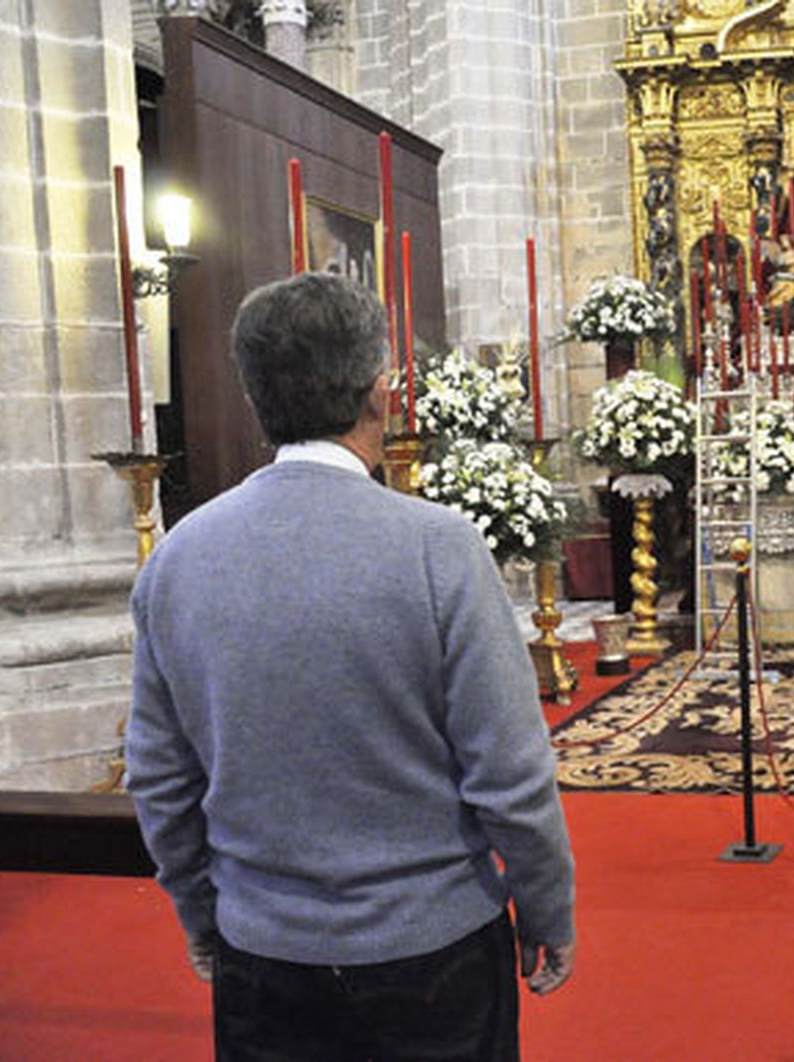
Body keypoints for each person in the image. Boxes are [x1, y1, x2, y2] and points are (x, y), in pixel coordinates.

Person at [125, 273, 576, 1061]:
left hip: (263, 953)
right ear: (380, 394)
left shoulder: (177, 558)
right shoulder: (439, 548)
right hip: (433, 952)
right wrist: (547, 910)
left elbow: (160, 780)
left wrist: (201, 915)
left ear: (256, 396)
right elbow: (511, 775)